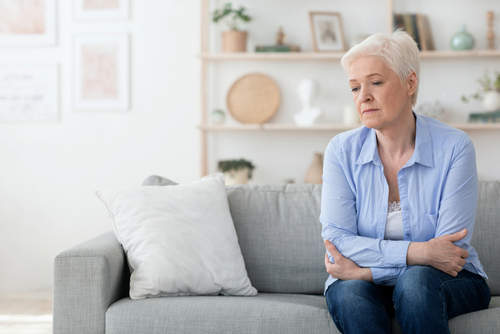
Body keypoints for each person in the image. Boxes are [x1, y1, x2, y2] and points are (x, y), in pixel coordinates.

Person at [320, 29, 491, 334]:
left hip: (449, 281)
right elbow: (339, 243)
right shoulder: (340, 151)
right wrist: (420, 252)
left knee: (414, 283)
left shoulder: (455, 147)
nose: (363, 97)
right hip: (374, 283)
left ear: (410, 82)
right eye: (355, 87)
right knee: (349, 295)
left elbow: (450, 253)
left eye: (376, 82)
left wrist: (366, 273)